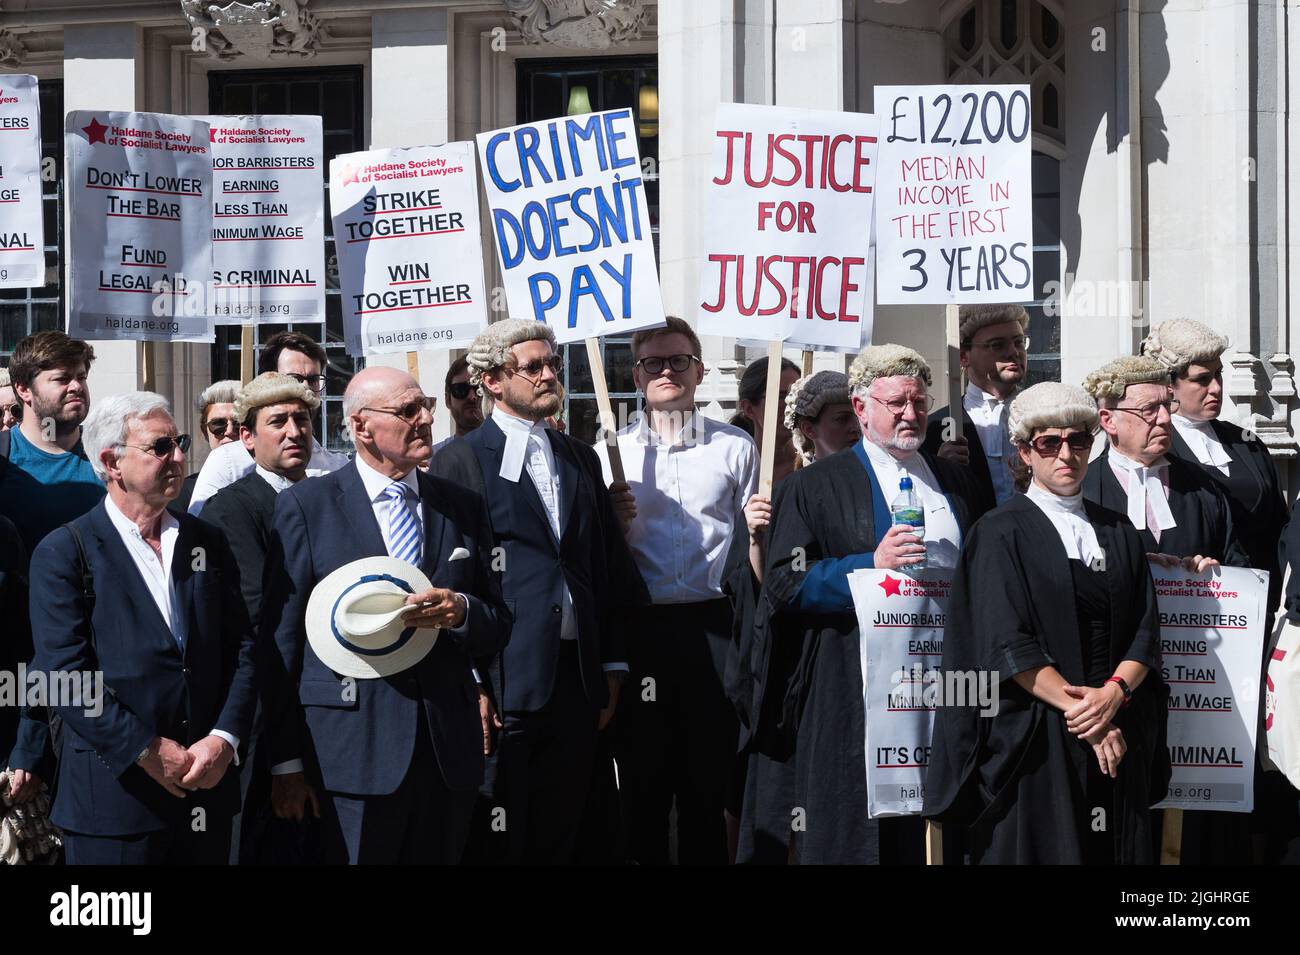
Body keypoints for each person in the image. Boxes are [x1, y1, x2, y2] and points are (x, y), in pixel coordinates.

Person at [259, 366, 511, 865]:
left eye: (426, 408)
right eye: (407, 411)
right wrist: (285, 762)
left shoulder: (461, 505)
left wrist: (460, 611)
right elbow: (279, 642)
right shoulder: (308, 508)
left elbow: (499, 619)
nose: (424, 420)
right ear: (361, 427)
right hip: (350, 753)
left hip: (446, 751)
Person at [756, 344, 988, 864]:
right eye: (896, 403)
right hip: (854, 691)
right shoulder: (813, 486)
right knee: (861, 835)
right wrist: (867, 565)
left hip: (943, 684)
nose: (911, 414)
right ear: (862, 409)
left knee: (940, 825)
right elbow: (784, 583)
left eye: (919, 402)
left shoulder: (956, 482)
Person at [925, 383, 1170, 863]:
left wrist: (1113, 695)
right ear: (1024, 451)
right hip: (1037, 737)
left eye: (1078, 441)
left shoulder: (1117, 529)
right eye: (1049, 443)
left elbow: (1146, 628)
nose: (1066, 455)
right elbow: (1006, 642)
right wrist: (1090, 720)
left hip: (1117, 720)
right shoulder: (998, 532)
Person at [434, 319, 648, 864]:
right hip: (507, 682)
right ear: (491, 381)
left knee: (568, 833)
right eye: (533, 367)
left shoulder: (579, 456)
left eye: (551, 362)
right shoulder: (459, 460)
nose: (550, 373)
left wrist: (615, 665)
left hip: (578, 682)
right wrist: (473, 678)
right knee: (499, 835)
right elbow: (452, 575)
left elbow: (605, 567)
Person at [28, 392, 257, 863]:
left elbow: (244, 648)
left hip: (204, 791)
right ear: (112, 462)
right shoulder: (65, 550)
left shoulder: (206, 540)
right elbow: (64, 677)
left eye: (180, 442)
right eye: (160, 446)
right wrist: (146, 750)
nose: (178, 456)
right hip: (113, 807)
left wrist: (224, 739)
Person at [592, 316, 758, 865]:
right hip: (643, 633)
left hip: (715, 629)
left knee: (707, 787)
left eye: (679, 360)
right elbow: (595, 557)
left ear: (699, 370)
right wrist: (610, 523)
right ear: (636, 376)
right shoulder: (607, 454)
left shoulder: (736, 449)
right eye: (653, 363)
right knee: (641, 781)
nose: (667, 371)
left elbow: (753, 545)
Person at [728, 370, 857, 865]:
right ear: (807, 426)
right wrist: (757, 541)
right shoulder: (785, 490)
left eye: (856, 416)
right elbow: (761, 592)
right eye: (840, 418)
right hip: (797, 672)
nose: (852, 427)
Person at [199, 372, 319, 863]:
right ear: (247, 437)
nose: (295, 431)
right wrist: (284, 760)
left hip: (322, 718)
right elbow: (262, 629)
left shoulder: (323, 499)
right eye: (279, 421)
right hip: (262, 731)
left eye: (303, 419)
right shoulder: (232, 510)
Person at [1081, 355, 1245, 569]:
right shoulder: (1084, 492)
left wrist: (1214, 573)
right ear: (1109, 420)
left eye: (1167, 406)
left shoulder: (1203, 486)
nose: (1165, 418)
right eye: (1149, 409)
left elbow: (1236, 564)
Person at [188, 331, 349, 515]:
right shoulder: (227, 462)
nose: (305, 388)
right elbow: (200, 530)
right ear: (268, 381)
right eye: (294, 379)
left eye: (313, 380)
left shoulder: (339, 467)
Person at [0, 331, 104, 557]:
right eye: (62, 378)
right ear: (24, 389)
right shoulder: (5, 458)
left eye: (82, 377)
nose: (76, 386)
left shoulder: (111, 455)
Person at [923, 303, 1029, 510]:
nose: (1013, 352)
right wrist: (939, 470)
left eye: (1018, 342)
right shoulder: (935, 428)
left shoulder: (1044, 415)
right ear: (963, 356)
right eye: (997, 345)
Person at [174, 380, 241, 514]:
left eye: (237, 423)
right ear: (205, 432)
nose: (229, 431)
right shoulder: (181, 493)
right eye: (218, 424)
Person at [734, 356, 800, 482]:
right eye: (780, 397)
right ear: (748, 408)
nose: (792, 405)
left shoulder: (813, 465)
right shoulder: (733, 469)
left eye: (797, 395)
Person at [431, 356, 484, 457]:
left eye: (479, 389)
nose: (472, 397)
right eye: (461, 390)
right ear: (447, 400)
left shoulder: (510, 455)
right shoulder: (433, 460)